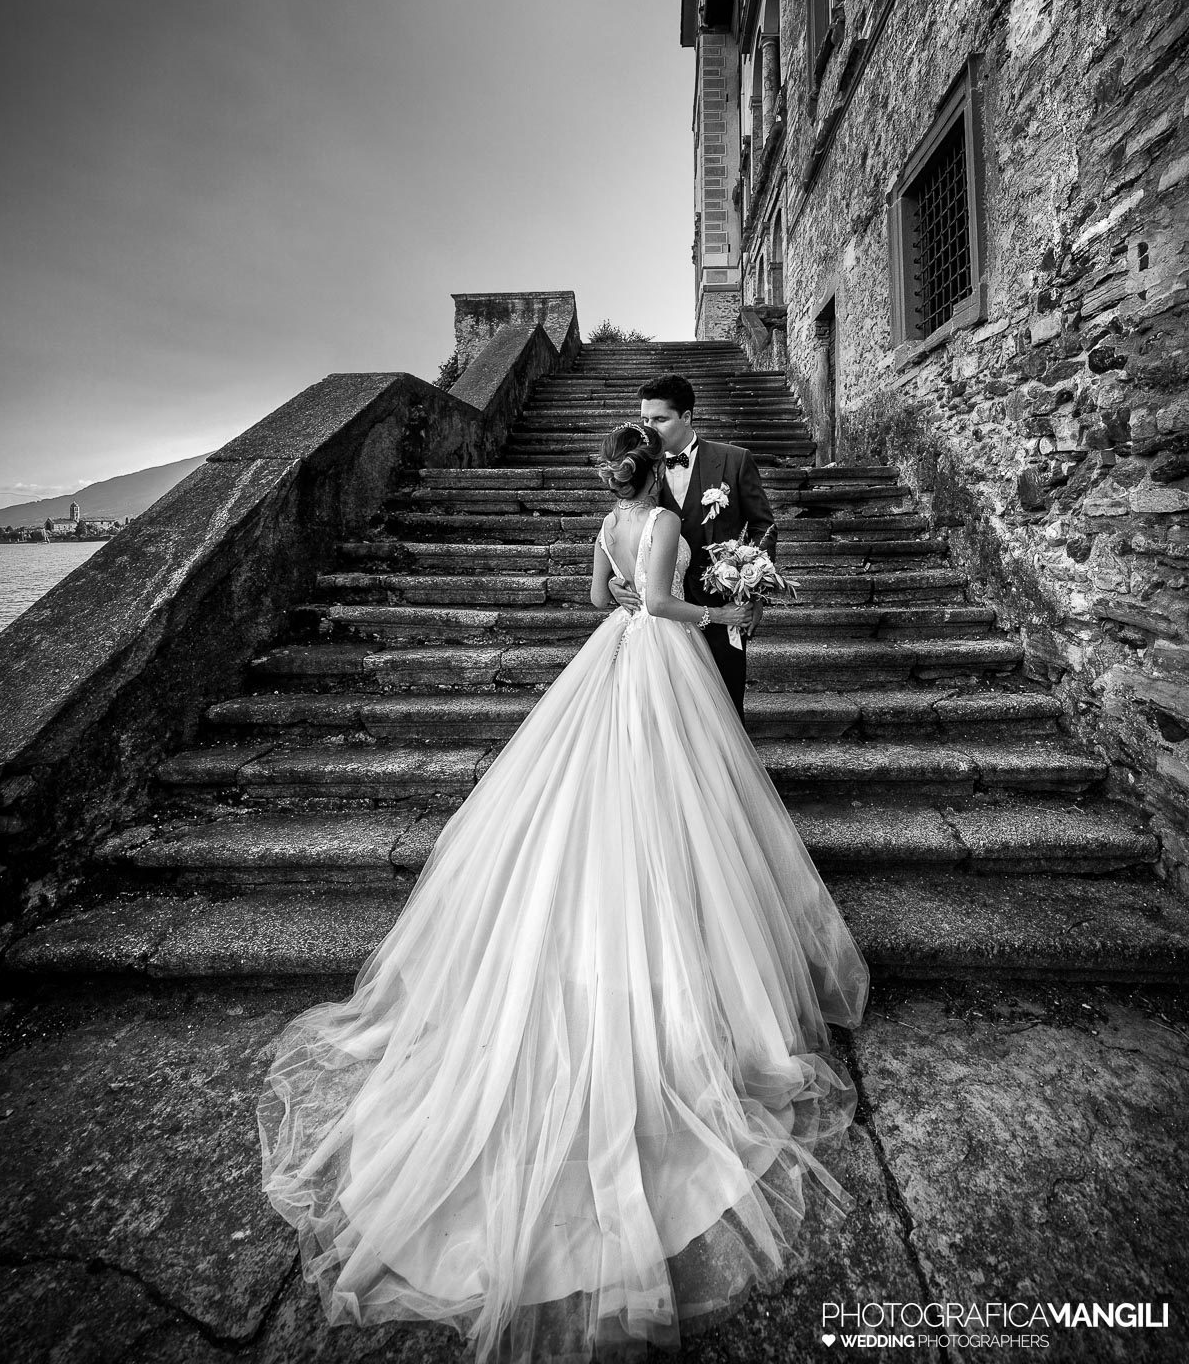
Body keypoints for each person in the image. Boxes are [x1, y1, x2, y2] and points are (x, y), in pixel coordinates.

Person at [258, 423, 871, 1364]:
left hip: (608, 662)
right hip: (660, 664)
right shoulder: (664, 521)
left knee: (596, 806)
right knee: (672, 810)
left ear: (610, 476)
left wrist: (635, 595)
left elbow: (605, 598)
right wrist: (721, 615)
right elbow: (662, 601)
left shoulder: (609, 520)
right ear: (653, 471)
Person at [606, 372, 777, 724]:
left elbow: (764, 526)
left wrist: (754, 591)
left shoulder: (734, 460)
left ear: (686, 417)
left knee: (725, 713)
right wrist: (614, 582)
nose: (650, 428)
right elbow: (622, 531)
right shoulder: (637, 469)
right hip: (658, 622)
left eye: (660, 419)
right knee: (666, 720)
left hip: (722, 609)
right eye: (645, 419)